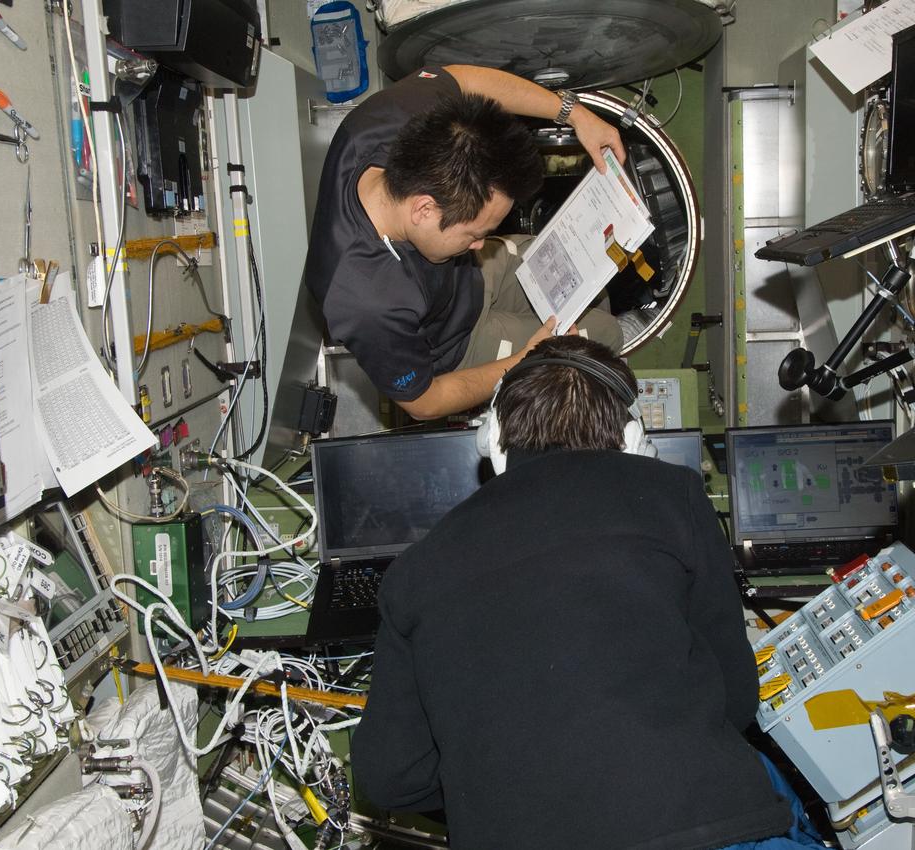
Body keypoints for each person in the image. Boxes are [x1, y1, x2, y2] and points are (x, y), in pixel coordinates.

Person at [351, 335, 826, 850]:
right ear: (633, 439)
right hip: (702, 826)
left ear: (491, 440)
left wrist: (499, 781)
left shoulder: (414, 570)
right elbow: (735, 699)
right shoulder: (674, 497)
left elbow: (390, 777)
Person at [304, 65, 625, 421]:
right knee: (605, 333)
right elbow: (424, 402)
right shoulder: (363, 300)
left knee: (595, 287)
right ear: (424, 209)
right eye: (475, 234)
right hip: (456, 343)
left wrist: (575, 114)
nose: (481, 245)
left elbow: (464, 81)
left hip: (469, 280)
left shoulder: (387, 121)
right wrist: (526, 362)